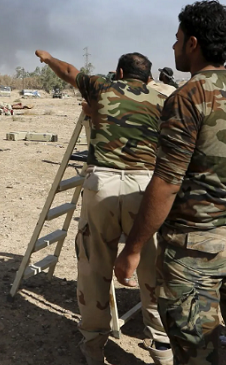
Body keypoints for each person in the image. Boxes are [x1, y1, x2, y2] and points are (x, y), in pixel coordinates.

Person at [114, 0, 226, 365]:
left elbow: (167, 182)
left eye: (177, 40)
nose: (174, 47)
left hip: (194, 251)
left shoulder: (187, 97)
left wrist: (132, 249)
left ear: (193, 43)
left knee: (197, 353)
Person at [35, 49, 172, 365]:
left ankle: (94, 347)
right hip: (145, 187)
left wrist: (47, 58)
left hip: (102, 185)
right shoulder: (160, 100)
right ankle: (162, 347)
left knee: (95, 266)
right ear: (148, 77)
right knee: (153, 269)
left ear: (120, 73)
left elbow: (69, 71)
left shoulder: (101, 86)